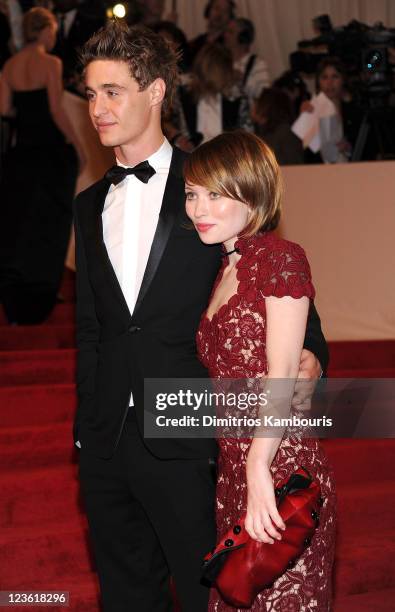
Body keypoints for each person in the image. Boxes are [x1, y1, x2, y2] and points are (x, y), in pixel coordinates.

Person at [74, 20, 328, 612]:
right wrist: (88, 429)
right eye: (91, 94)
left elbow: (273, 270)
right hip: (108, 440)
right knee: (124, 595)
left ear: (156, 91)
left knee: (207, 594)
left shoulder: (206, 187)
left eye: (113, 91)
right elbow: (91, 325)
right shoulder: (88, 204)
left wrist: (313, 351)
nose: (99, 108)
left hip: (192, 433)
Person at [184, 130, 336, 610]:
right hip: (235, 475)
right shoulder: (223, 269)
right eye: (192, 194)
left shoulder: (280, 259)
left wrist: (257, 467)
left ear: (253, 192)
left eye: (215, 194)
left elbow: (283, 373)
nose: (198, 208)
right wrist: (242, 471)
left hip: (282, 471)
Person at [0, 7, 84, 324]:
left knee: (19, 224)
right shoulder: (51, 62)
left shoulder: (9, 65)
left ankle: (15, 298)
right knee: (49, 224)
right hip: (50, 153)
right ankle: (42, 294)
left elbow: (5, 108)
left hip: (21, 153)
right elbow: (56, 109)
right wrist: (77, 144)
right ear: (46, 30)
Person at [180, 43, 252, 146]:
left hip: (226, 156)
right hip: (192, 157)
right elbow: (175, 130)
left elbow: (247, 137)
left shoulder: (237, 98)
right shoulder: (184, 94)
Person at [224, 17, 270, 107]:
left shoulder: (257, 64)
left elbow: (265, 95)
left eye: (230, 32)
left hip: (247, 118)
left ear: (243, 38)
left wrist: (242, 79)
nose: (225, 35)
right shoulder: (222, 63)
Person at [252, 87, 304, 165]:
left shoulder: (284, 133)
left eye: (259, 101)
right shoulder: (261, 132)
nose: (255, 105)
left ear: (267, 106)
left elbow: (295, 164)